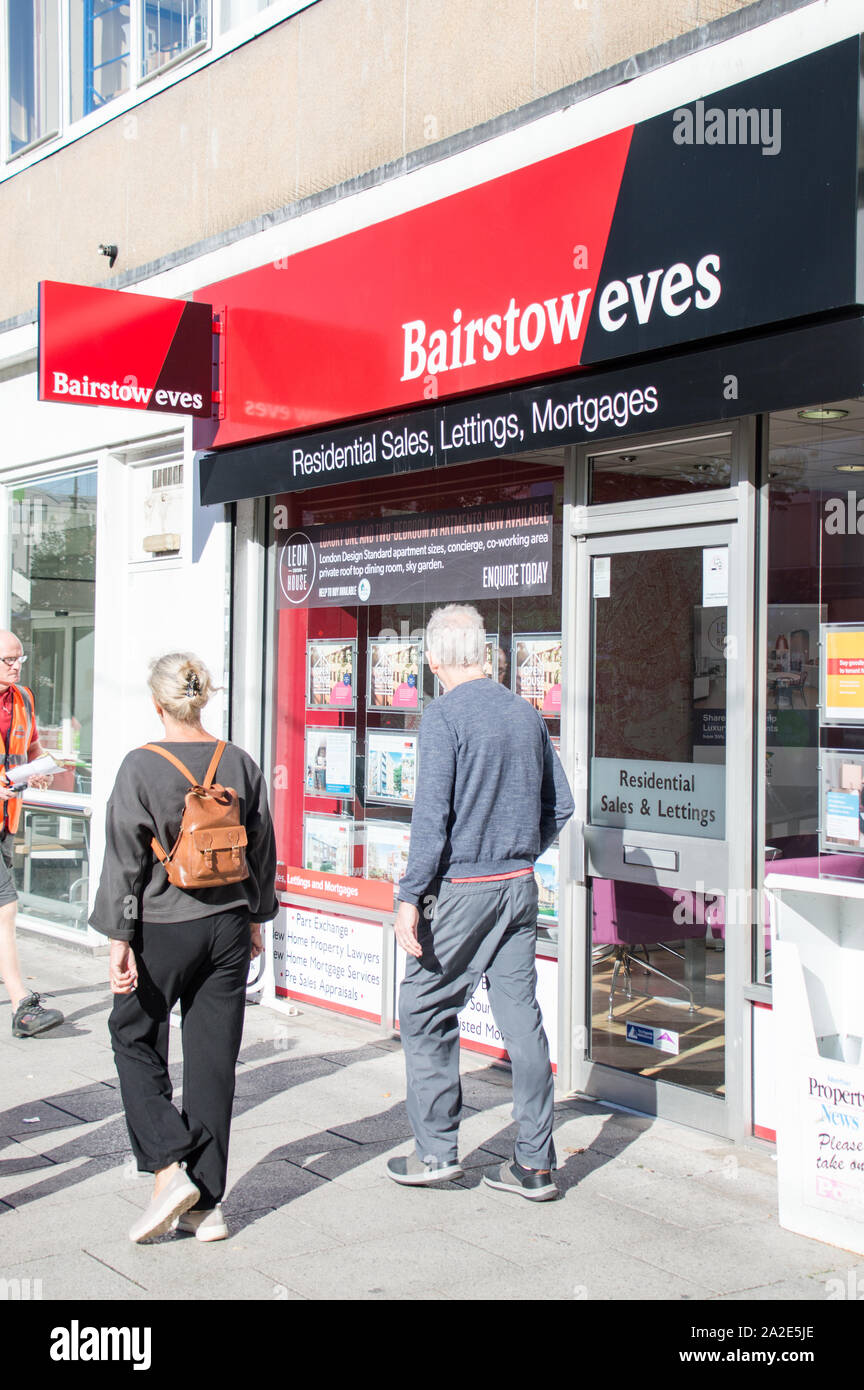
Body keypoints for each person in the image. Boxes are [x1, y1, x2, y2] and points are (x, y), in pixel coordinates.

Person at [90, 653, 278, 1244]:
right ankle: (208, 1206)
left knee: (133, 1034)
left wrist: (119, 937)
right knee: (212, 1060)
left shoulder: (141, 767)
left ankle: (170, 1165)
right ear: (204, 698)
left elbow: (124, 858)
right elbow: (262, 848)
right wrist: (257, 917)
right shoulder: (240, 762)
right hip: (227, 922)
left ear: (157, 703)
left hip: (163, 926)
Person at [388, 604, 574, 1201]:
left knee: (422, 1008)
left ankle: (436, 1151)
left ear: (437, 657)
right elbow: (562, 805)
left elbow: (430, 821)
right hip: (520, 887)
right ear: (484, 654)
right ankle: (535, 1163)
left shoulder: (442, 717)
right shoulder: (525, 713)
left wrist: (410, 896)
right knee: (521, 1019)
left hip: (463, 891)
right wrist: (518, 850)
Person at [0, 629, 65, 1038]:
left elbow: (32, 749)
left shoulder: (23, 698)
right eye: (7, 660)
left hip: (7, 819)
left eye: (19, 659)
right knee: (5, 906)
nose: (16, 666)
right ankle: (21, 1003)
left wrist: (40, 769)